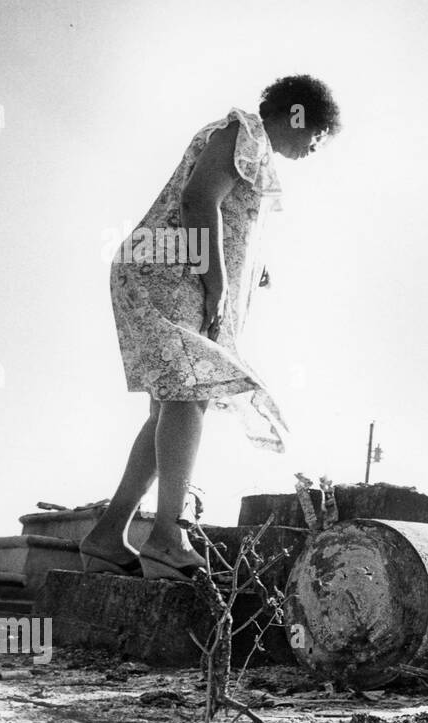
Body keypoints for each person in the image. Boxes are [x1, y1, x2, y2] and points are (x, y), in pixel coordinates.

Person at [79, 75, 341, 581]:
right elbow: (199, 202)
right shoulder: (243, 131)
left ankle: (108, 536)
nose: (315, 146)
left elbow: (226, 215)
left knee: (171, 406)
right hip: (169, 271)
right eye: (317, 134)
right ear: (297, 114)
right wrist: (218, 279)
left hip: (172, 272)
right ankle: (165, 539)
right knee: (189, 394)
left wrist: (250, 267)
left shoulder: (258, 155)